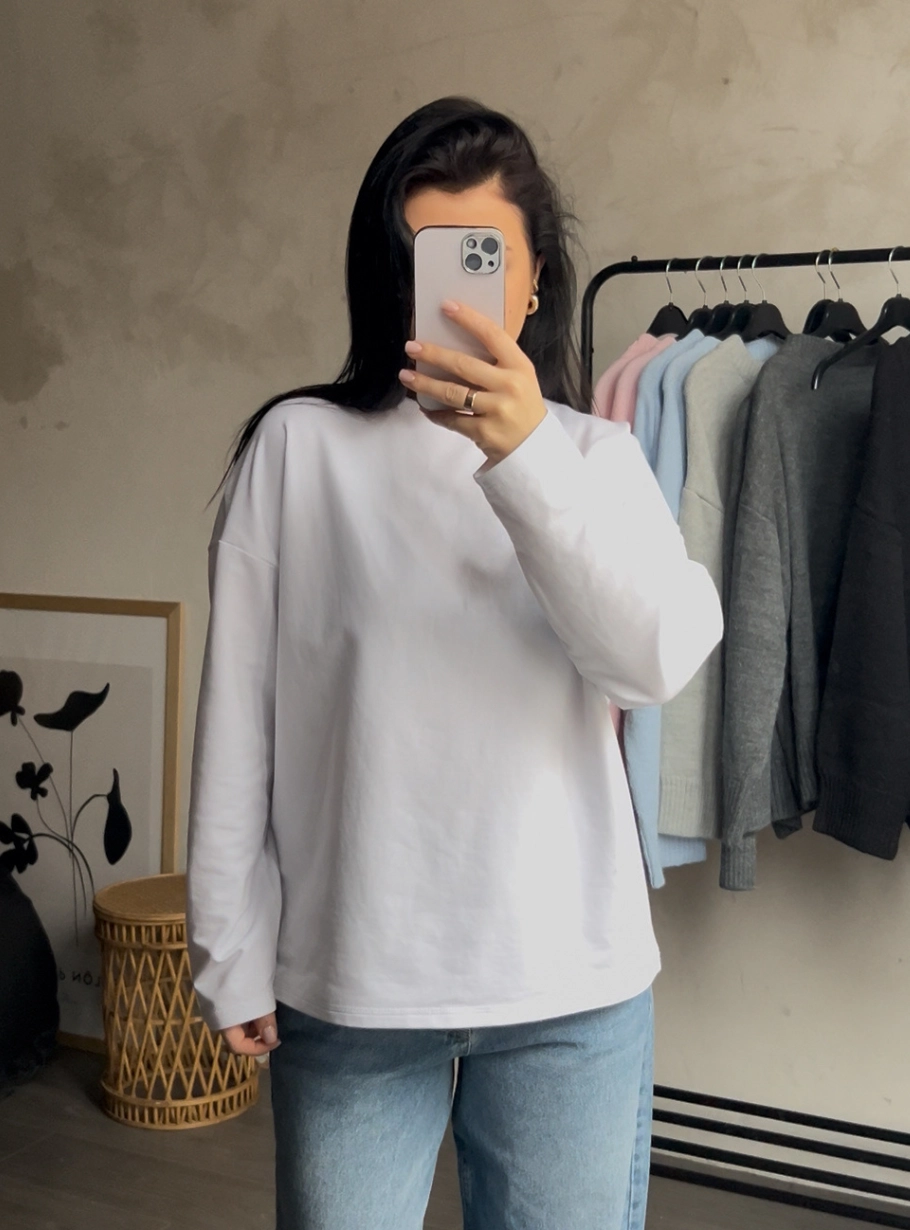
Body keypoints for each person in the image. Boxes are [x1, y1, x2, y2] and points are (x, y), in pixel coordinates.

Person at [186, 96, 722, 1230]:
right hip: (353, 981)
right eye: (423, 259)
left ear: (532, 284)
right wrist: (227, 945)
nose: (455, 293)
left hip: (570, 988)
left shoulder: (596, 458)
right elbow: (238, 724)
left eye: (483, 260)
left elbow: (653, 661)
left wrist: (526, 460)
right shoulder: (299, 450)